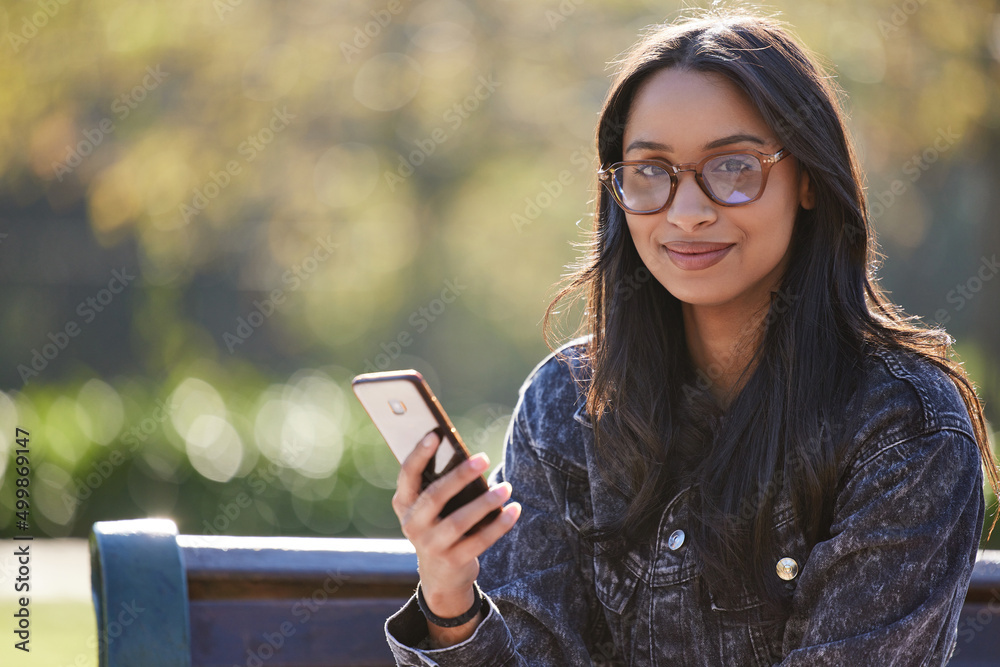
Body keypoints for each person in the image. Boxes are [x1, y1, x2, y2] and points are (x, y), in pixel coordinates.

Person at [383, 7, 999, 665]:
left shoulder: (906, 429)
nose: (687, 211)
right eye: (650, 170)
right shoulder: (563, 405)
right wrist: (449, 597)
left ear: (811, 180)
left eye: (733, 167)